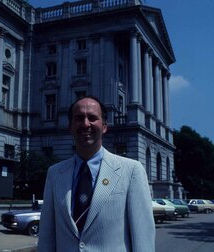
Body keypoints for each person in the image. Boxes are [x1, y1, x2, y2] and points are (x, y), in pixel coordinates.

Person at [38, 96, 155, 252]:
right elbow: (46, 237)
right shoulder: (55, 173)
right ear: (70, 127)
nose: (85, 124)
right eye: (79, 118)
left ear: (105, 126)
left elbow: (143, 239)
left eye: (92, 118)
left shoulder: (132, 170)